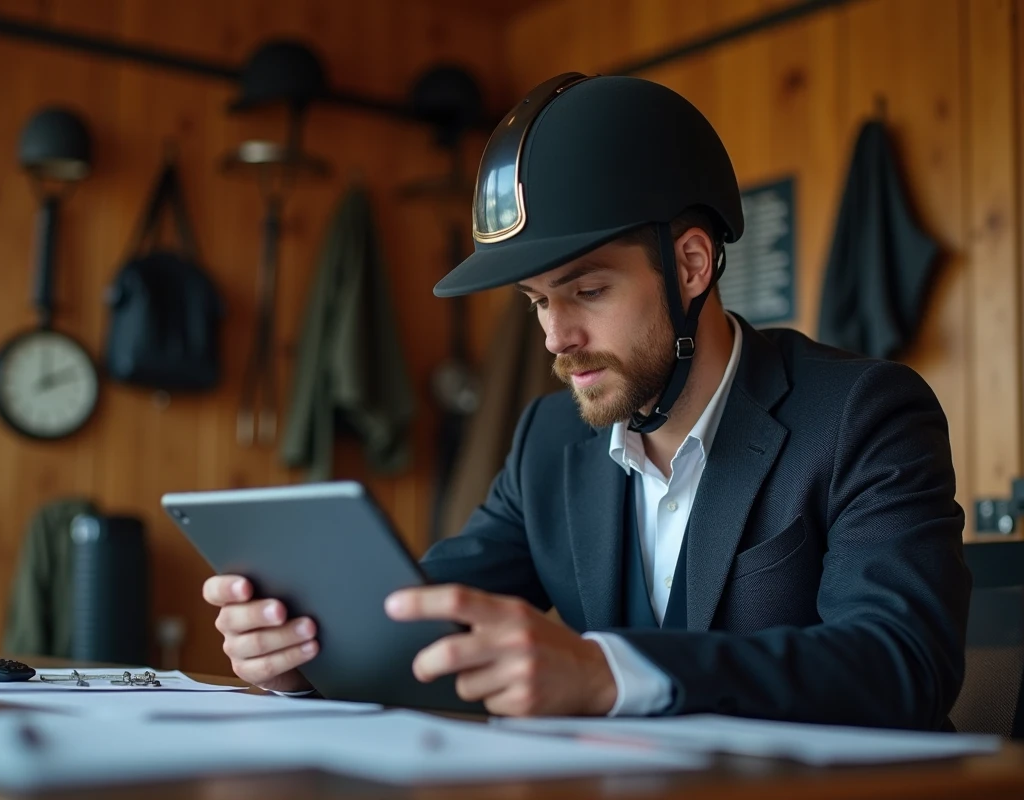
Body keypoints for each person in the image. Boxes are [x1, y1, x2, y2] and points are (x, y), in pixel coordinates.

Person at [203, 73, 971, 729]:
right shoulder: (547, 440)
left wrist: (606, 673)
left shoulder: (864, 413)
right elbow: (427, 611)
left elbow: (901, 663)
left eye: (588, 291)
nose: (556, 336)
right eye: (537, 301)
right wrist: (308, 651)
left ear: (692, 263)